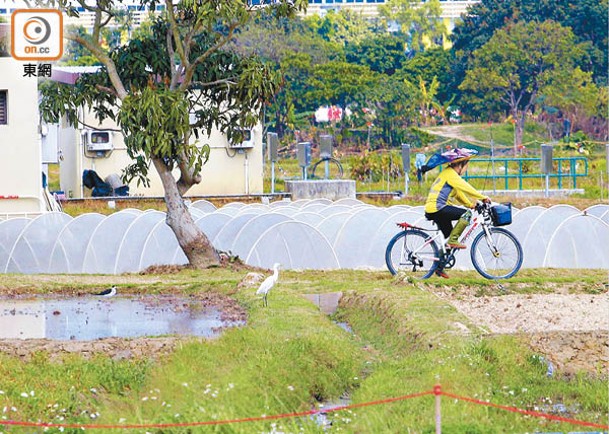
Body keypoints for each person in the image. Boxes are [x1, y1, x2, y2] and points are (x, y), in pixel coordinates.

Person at [424, 149, 490, 278]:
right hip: (438, 208)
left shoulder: (448, 174)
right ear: (460, 165)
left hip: (435, 209)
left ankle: (439, 268)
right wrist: (482, 197)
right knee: (466, 215)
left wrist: (470, 204)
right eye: (467, 165)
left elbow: (459, 193)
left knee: (448, 240)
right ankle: (453, 240)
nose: (466, 168)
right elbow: (466, 187)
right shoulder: (451, 174)